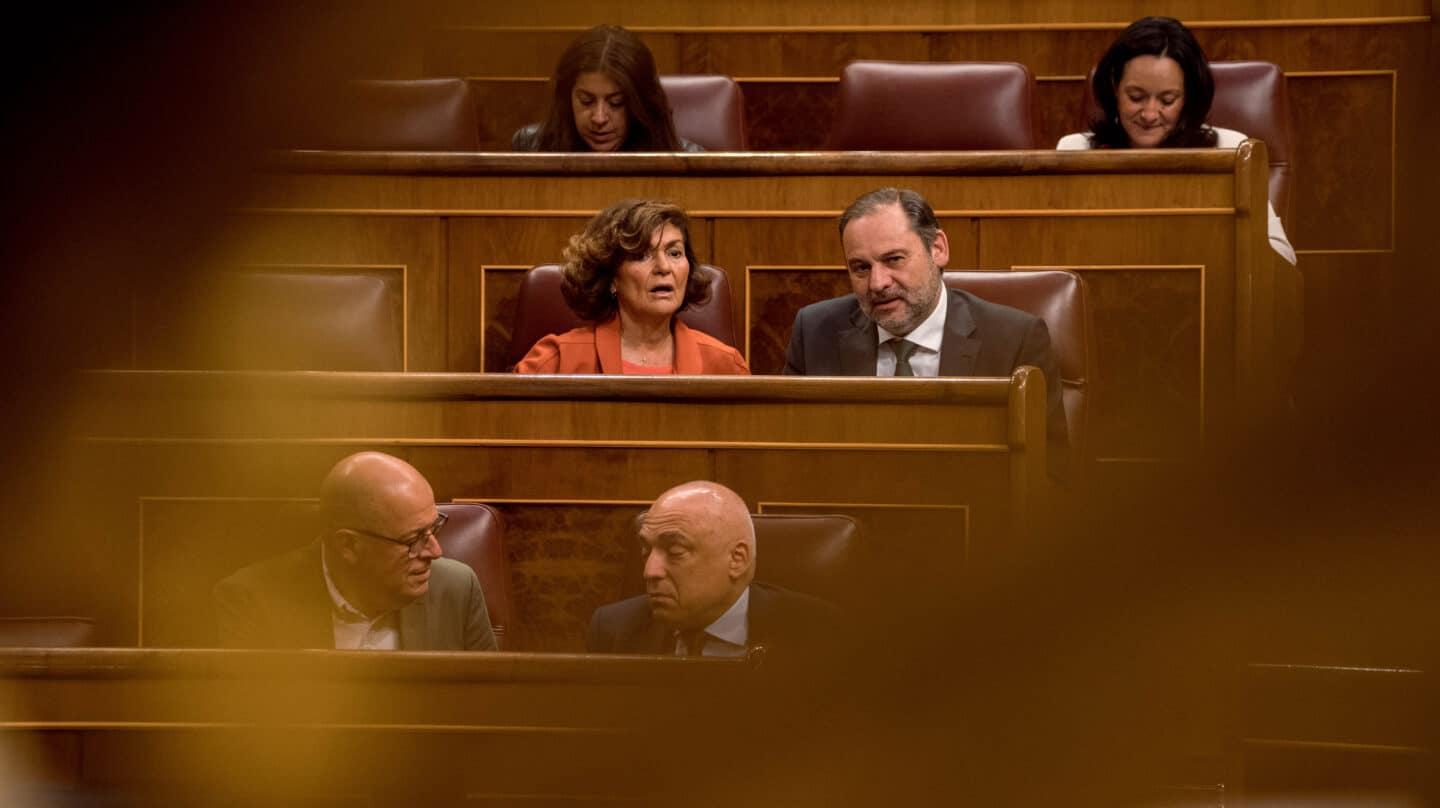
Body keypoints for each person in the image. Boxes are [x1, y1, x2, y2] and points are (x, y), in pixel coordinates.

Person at [783, 187, 1067, 450]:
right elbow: (791, 458)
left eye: (894, 259)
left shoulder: (1014, 340)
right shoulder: (815, 333)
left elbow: (1049, 478)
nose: (877, 283)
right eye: (861, 268)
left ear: (938, 249)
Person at [1056, 15, 1297, 266]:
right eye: (1136, 97)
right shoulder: (1075, 151)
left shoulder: (1228, 150)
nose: (1150, 114)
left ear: (1187, 98)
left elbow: (1282, 257)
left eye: (1167, 100)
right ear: (1115, 86)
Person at [214, 451, 497, 650]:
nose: (434, 551)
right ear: (348, 546)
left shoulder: (457, 590)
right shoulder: (250, 603)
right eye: (413, 539)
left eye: (433, 529)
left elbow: (490, 715)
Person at [587, 481, 838, 658]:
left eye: (675, 552)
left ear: (736, 560)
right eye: (646, 551)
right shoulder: (614, 629)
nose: (650, 571)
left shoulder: (819, 633)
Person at [515, 199, 750, 375]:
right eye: (641, 256)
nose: (663, 267)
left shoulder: (725, 366)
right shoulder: (556, 362)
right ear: (611, 276)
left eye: (675, 253)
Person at [512, 24, 702, 153]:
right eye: (586, 101)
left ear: (641, 104)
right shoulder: (531, 146)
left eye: (616, 103)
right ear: (567, 97)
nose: (599, 118)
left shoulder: (690, 160)